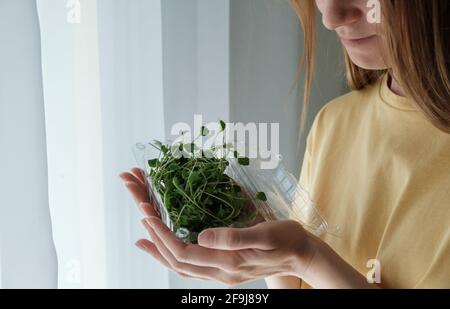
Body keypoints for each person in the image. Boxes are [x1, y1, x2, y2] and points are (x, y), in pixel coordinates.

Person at [120, 0, 450, 288]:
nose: (330, 17)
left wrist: (304, 257)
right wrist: (260, 240)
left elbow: (304, 260)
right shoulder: (334, 121)